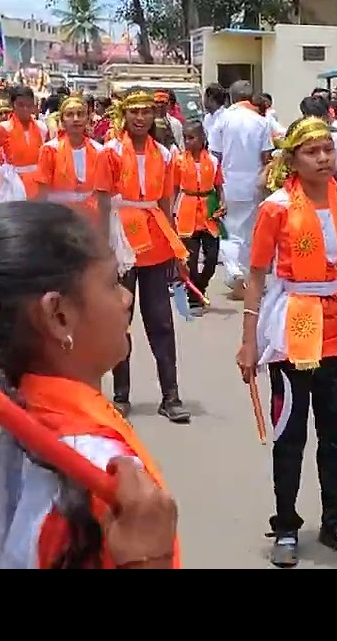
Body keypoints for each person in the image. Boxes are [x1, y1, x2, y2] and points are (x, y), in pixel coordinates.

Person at [0, 201, 180, 569]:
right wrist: (148, 559)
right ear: (58, 315)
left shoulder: (23, 419)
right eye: (113, 283)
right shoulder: (90, 465)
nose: (127, 298)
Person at [235, 115, 337, 568]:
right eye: (311, 151)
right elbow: (256, 276)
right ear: (292, 160)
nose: (322, 158)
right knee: (290, 433)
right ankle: (286, 525)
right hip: (292, 327)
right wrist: (249, 342)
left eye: (327, 150)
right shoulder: (276, 207)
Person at [96, 90, 191, 423]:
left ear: (154, 116)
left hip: (154, 240)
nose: (140, 118)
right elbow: (103, 201)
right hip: (120, 240)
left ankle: (171, 395)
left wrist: (177, 245)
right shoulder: (109, 152)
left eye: (146, 111)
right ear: (124, 115)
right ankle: (121, 395)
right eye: (134, 111)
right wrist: (100, 246)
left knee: (161, 320)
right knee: (120, 319)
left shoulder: (164, 154)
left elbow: (166, 202)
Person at [211, 81, 274, 299]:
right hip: (253, 182)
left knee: (229, 231)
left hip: (227, 182)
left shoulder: (222, 119)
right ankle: (246, 277)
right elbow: (266, 157)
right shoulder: (261, 121)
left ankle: (234, 272)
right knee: (250, 232)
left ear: (232, 96)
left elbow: (215, 155)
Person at [171, 120, 224, 311]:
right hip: (187, 210)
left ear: (202, 138)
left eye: (192, 137)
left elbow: (219, 186)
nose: (188, 141)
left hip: (209, 210)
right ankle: (194, 296)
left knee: (211, 259)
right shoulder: (178, 161)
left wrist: (222, 204)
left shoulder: (213, 161)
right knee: (190, 260)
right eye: (185, 138)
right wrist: (170, 211)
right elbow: (175, 188)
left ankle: (200, 287)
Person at [0, 84, 47, 203]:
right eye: (20, 105)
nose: (25, 109)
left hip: (37, 182)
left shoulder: (42, 128)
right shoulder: (3, 128)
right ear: (13, 104)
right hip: (13, 182)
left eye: (29, 105)